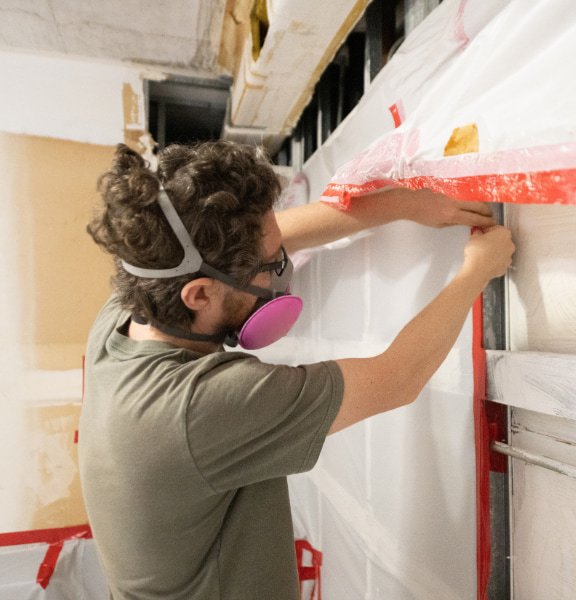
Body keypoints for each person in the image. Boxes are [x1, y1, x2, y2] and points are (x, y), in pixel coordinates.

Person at [81, 141, 515, 599]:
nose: (280, 274)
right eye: (269, 269)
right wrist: (476, 272)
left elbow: (271, 236)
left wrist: (402, 204)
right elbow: (397, 379)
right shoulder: (199, 408)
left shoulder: (128, 314)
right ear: (200, 295)